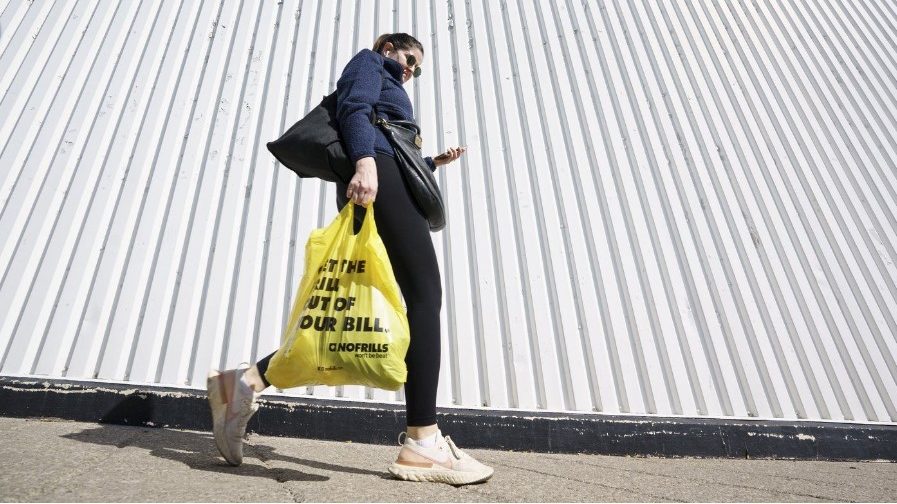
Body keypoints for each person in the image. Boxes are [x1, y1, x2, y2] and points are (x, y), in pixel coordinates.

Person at [206, 32, 494, 486]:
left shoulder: (392, 88)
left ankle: (242, 384)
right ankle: (422, 440)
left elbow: (398, 150)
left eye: (418, 68)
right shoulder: (369, 63)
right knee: (424, 296)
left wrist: (433, 162)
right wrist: (363, 162)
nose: (411, 70)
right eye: (408, 60)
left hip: (387, 175)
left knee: (357, 310)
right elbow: (354, 109)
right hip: (376, 173)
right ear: (388, 50)